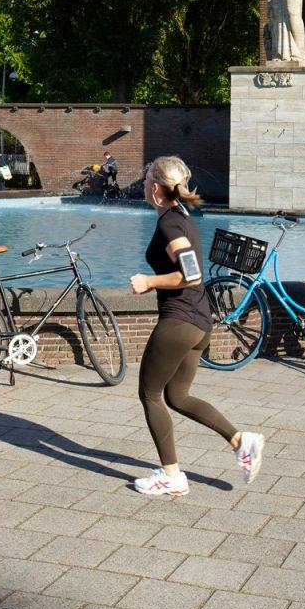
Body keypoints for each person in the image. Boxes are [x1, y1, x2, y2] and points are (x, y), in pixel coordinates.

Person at [126, 156, 263, 497]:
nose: (143, 186)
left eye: (146, 181)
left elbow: (191, 275)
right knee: (178, 395)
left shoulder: (170, 224)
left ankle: (171, 477)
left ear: (156, 188)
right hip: (201, 321)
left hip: (180, 319)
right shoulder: (182, 217)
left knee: (150, 394)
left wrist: (149, 282)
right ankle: (240, 440)